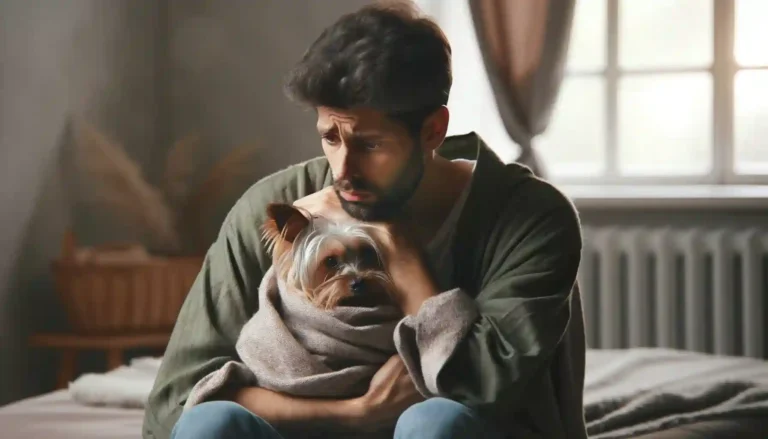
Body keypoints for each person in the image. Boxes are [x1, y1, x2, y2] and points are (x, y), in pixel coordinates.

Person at [143, 2, 587, 439]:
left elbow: (488, 388)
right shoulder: (279, 207)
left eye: (370, 145)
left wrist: (398, 251)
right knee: (209, 425)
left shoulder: (531, 218)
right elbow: (176, 403)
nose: (343, 170)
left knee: (436, 422)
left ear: (433, 130)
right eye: (330, 137)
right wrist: (356, 413)